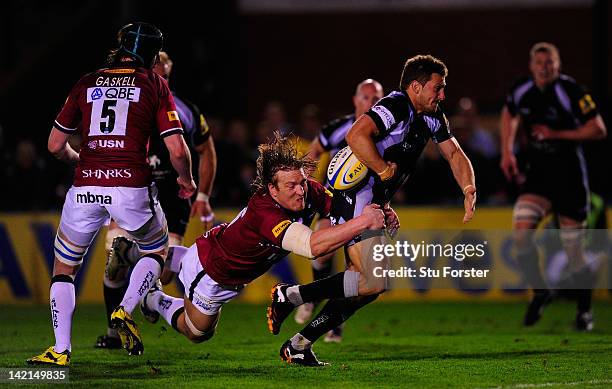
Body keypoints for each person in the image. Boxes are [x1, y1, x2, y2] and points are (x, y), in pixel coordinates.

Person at [267, 55, 477, 366]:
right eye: (438, 88)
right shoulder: (395, 105)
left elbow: (455, 153)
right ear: (416, 87)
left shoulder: (433, 117)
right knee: (375, 280)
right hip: (354, 196)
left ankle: (298, 341)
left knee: (366, 287)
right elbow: (356, 135)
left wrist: (469, 189)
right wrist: (383, 170)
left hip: (373, 200)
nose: (443, 94)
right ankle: (291, 296)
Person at [27, 22, 196, 366]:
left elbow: (55, 144)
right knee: (156, 250)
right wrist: (187, 181)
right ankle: (125, 308)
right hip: (130, 186)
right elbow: (177, 150)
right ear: (151, 54)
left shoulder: (86, 81)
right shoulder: (154, 83)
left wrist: (79, 159)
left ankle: (60, 350)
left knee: (64, 268)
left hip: (86, 187)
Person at [137, 132, 387, 364]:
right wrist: (365, 221)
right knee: (197, 332)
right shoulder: (265, 213)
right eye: (291, 186)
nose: (301, 191)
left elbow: (341, 209)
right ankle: (154, 297)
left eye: (302, 182)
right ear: (272, 189)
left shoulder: (308, 191)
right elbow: (313, 247)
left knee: (369, 281)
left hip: (228, 263)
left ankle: (141, 256)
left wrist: (380, 211)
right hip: (212, 270)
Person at [94, 51, 217, 349]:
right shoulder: (122, 101)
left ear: (167, 74)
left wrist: (202, 194)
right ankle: (114, 331)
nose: (153, 76)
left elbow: (207, 151)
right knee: (114, 262)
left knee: (162, 271)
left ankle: (135, 266)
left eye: (159, 72)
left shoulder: (184, 110)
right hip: (132, 189)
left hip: (172, 194)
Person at [499, 42, 606, 330]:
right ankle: (540, 290)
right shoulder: (522, 90)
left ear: (558, 65)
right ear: (531, 66)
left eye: (550, 63)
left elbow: (598, 128)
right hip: (539, 176)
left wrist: (556, 133)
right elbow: (509, 113)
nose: (544, 68)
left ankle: (584, 311)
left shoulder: (572, 91)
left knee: (574, 253)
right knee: (521, 231)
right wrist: (507, 151)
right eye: (539, 63)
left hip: (570, 176)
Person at [294, 79, 384, 344]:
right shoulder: (339, 129)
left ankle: (332, 323)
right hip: (334, 200)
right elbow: (314, 152)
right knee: (321, 253)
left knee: (360, 273)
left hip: (366, 205)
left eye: (377, 97)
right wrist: (304, 183)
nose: (372, 102)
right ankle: (311, 297)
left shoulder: (385, 130)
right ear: (356, 100)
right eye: (367, 97)